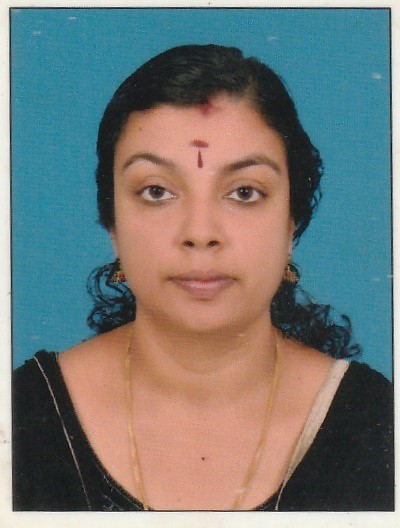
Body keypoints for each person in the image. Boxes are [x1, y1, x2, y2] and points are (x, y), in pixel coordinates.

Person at [13, 44, 393, 512]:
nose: (200, 233)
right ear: (112, 223)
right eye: (156, 191)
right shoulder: (22, 417)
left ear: (291, 223)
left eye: (244, 192)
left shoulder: (378, 425)